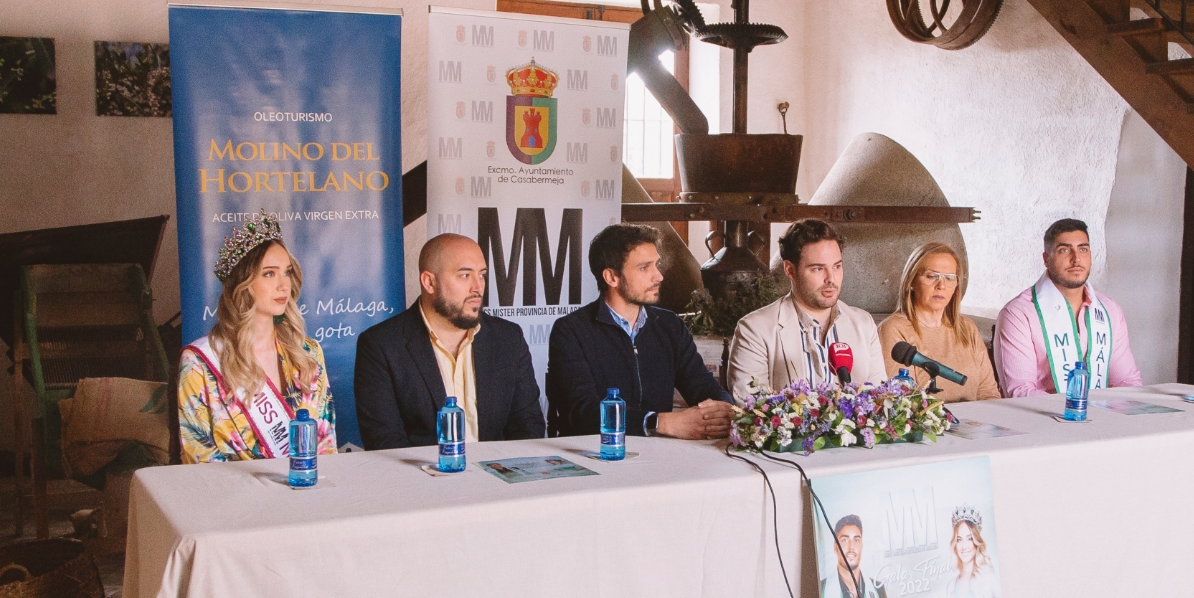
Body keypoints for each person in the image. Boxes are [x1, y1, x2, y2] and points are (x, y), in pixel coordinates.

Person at [354, 233, 545, 450]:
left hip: (499, 476)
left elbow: (528, 427)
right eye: (464, 275)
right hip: (422, 480)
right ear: (429, 282)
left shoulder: (508, 338)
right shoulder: (381, 345)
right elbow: (385, 442)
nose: (478, 287)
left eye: (482, 275)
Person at [547, 223, 733, 439]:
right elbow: (583, 413)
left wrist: (722, 408)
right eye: (645, 267)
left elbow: (702, 384)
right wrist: (659, 423)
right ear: (611, 277)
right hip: (596, 457)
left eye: (656, 265)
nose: (659, 276)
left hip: (659, 457)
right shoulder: (571, 331)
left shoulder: (669, 325)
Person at [178, 215, 336, 463]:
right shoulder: (199, 363)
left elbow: (326, 443)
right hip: (234, 498)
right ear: (243, 284)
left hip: (307, 492)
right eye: (269, 274)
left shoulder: (308, 353)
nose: (284, 285)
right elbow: (197, 457)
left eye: (287, 272)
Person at [727, 218, 884, 396]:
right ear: (790, 270)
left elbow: (878, 400)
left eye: (837, 266)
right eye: (818, 269)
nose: (831, 278)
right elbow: (751, 410)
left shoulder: (863, 324)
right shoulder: (755, 330)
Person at [992, 217, 1144, 398]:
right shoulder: (1018, 314)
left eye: (1083, 249)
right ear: (1046, 259)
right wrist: (1077, 411)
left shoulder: (1110, 310)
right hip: (1041, 421)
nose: (1076, 258)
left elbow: (1127, 382)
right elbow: (1019, 391)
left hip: (1102, 417)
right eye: (1064, 250)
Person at [878, 241, 1001, 402]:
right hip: (928, 425)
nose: (941, 285)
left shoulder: (967, 328)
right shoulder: (894, 329)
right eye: (931, 276)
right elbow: (901, 402)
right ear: (911, 281)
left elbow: (988, 393)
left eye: (949, 278)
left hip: (975, 423)